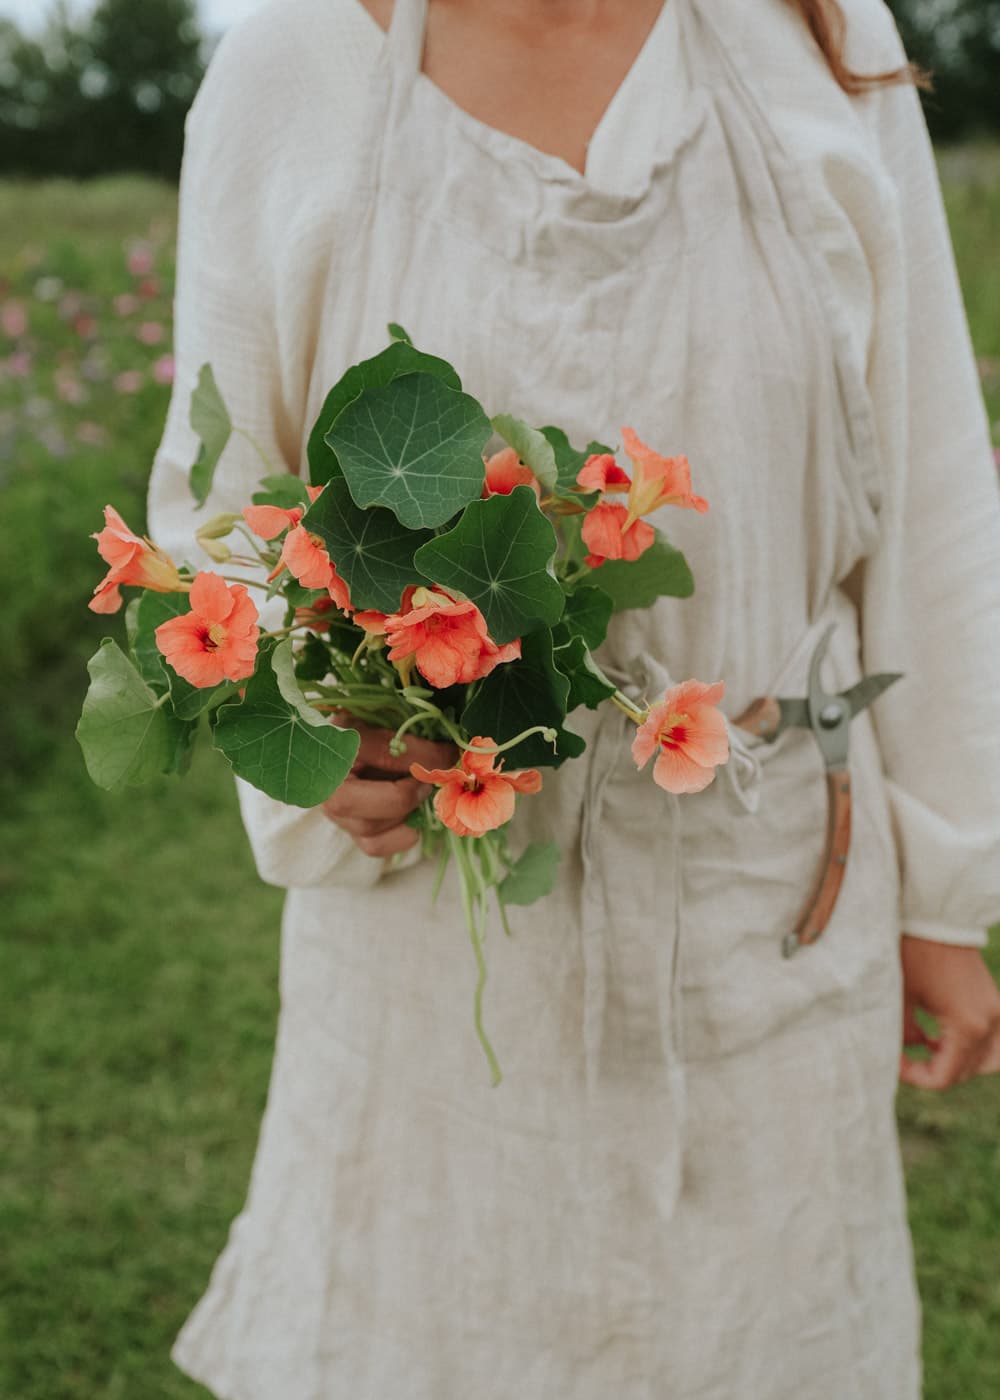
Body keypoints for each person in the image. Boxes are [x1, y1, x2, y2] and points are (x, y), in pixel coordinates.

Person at [147, 0, 1000, 1395]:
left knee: (770, 1341)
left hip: (773, 887)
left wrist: (944, 890)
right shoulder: (296, 65)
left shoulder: (819, 40)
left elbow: (933, 491)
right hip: (445, 919)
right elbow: (220, 521)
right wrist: (316, 728)